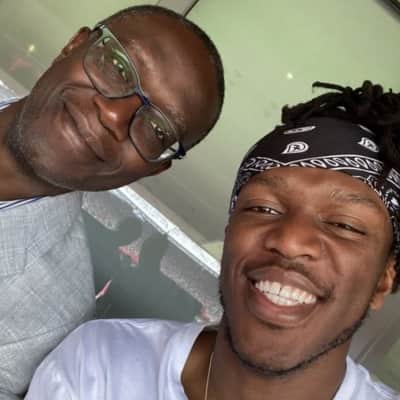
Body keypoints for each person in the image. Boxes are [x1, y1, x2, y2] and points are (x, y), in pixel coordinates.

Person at [25, 80, 400, 400]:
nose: (289, 240)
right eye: (263, 208)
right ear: (229, 231)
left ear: (384, 279)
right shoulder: (101, 368)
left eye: (345, 225)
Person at [0, 5, 224, 399]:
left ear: (154, 169)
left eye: (156, 129)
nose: (113, 115)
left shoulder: (48, 321)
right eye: (119, 68)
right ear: (74, 45)